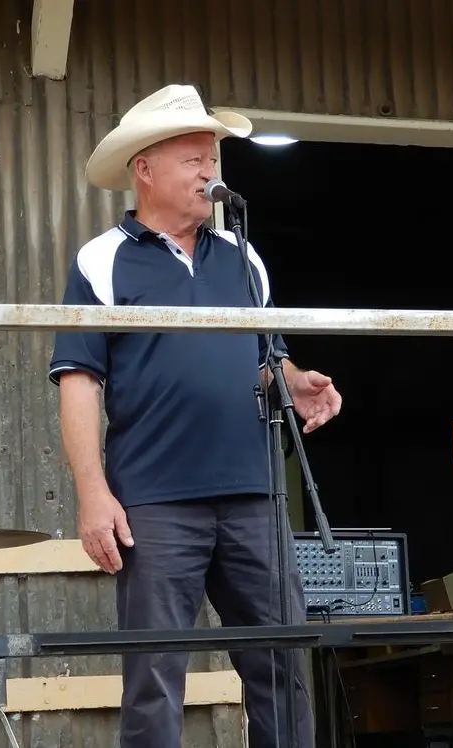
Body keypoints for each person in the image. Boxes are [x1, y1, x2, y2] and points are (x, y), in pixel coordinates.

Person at [48, 83, 343, 748]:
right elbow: (78, 379)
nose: (210, 172)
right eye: (191, 159)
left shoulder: (245, 258)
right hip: (153, 499)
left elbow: (267, 362)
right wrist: (94, 494)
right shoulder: (103, 258)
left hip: (253, 494)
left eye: (213, 159)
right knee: (155, 676)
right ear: (143, 169)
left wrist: (297, 382)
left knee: (283, 665)